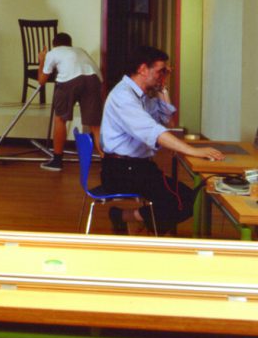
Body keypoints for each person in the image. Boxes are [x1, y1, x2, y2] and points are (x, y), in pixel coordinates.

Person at [99, 46, 224, 235]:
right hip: (121, 170)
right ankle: (137, 223)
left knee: (182, 198)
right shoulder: (123, 97)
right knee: (184, 201)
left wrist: (162, 85)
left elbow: (167, 120)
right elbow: (155, 131)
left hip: (136, 167)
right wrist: (193, 151)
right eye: (160, 71)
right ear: (142, 69)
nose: (162, 75)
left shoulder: (138, 94)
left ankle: (126, 217)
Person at [37, 33, 103, 172]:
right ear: (70, 44)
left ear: (54, 44)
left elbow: (42, 80)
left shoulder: (53, 52)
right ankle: (106, 162)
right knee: (95, 125)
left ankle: (57, 161)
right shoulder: (80, 50)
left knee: (60, 119)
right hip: (93, 80)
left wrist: (42, 60)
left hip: (69, 81)